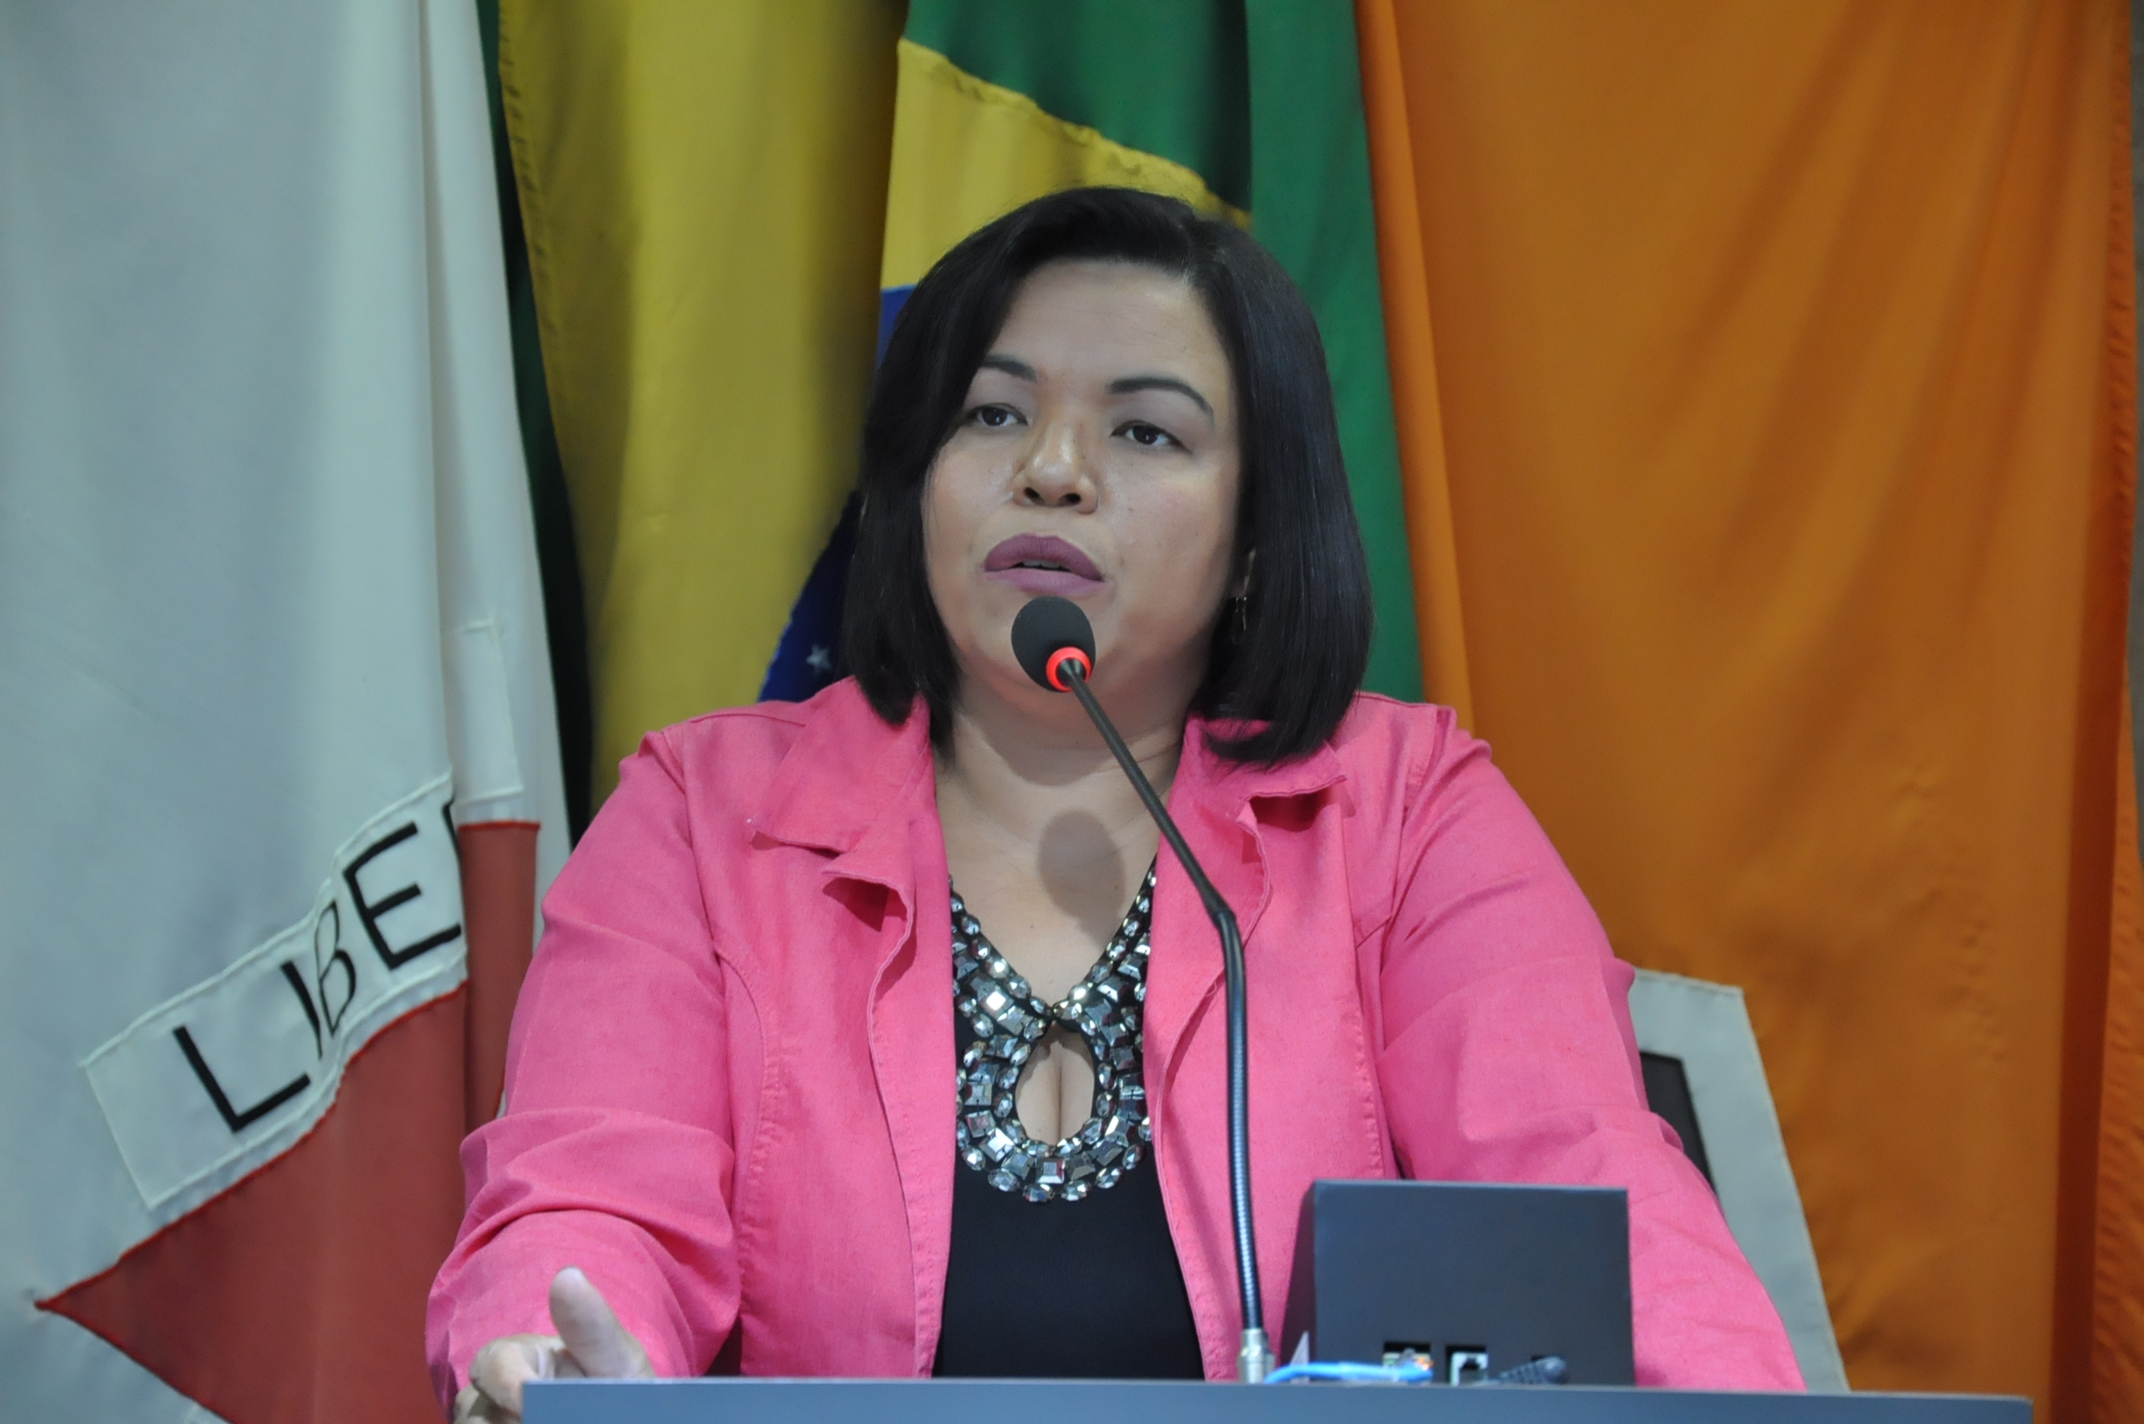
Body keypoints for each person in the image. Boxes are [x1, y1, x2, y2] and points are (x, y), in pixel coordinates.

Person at [429, 187, 1803, 1420]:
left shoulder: (1403, 814)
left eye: (1146, 430)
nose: (1053, 468)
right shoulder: (705, 814)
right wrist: (552, 1366)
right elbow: (590, 1196)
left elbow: (1584, 1199)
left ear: (1257, 533)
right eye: (993, 413)